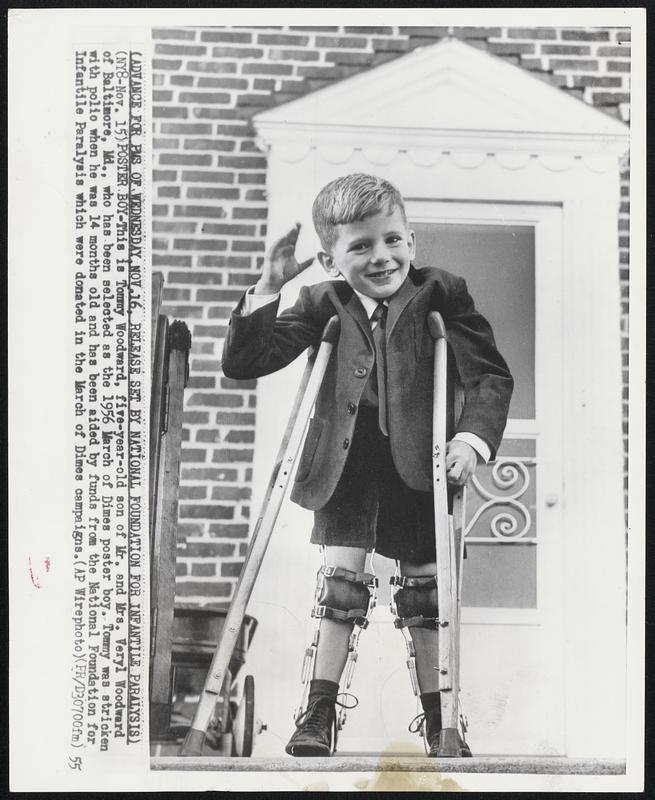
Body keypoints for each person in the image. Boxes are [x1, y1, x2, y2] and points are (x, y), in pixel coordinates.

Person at [222, 173, 513, 758]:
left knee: (427, 596)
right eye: (360, 246)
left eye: (392, 240)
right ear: (331, 260)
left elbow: (488, 376)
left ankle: (441, 720)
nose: (381, 257)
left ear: (413, 239)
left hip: (421, 462)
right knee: (342, 587)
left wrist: (471, 441)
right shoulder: (320, 301)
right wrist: (268, 286)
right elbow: (246, 362)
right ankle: (319, 713)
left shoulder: (442, 293)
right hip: (346, 463)